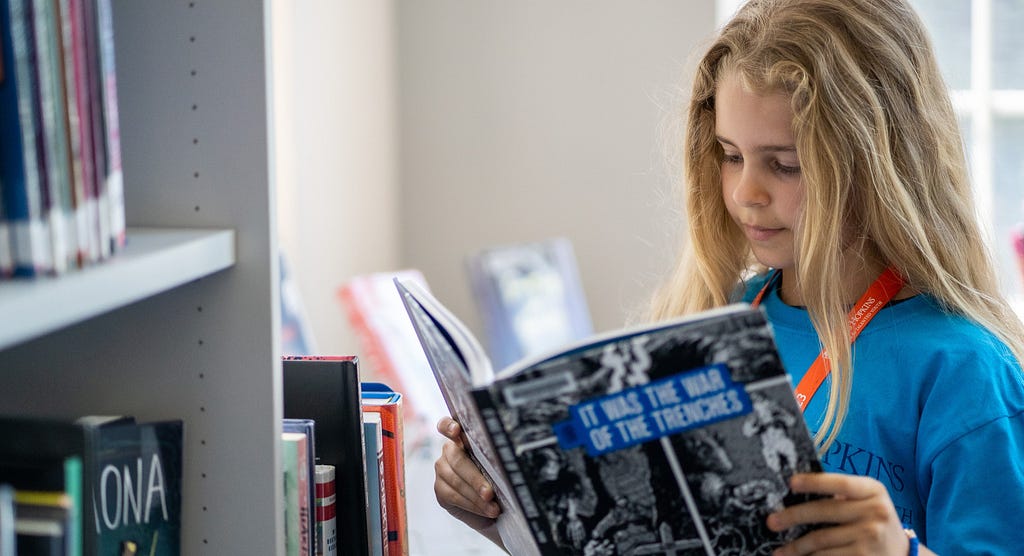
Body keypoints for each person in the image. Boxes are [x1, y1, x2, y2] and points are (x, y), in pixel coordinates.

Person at [432, 0, 1024, 554]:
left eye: (785, 164)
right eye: (730, 154)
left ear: (880, 164)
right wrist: (503, 510)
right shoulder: (719, 319)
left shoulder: (964, 372)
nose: (746, 193)